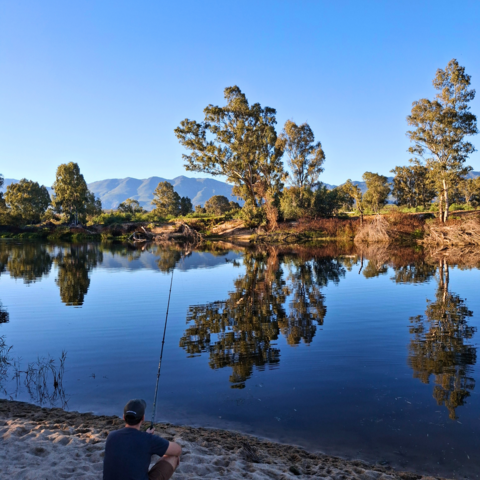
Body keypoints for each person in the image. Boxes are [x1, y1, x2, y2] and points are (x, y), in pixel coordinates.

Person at [103, 399, 182, 480]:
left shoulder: (111, 436)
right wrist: (150, 439)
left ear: (123, 417)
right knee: (173, 457)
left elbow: (130, 442)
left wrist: (147, 437)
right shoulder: (148, 440)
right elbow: (178, 450)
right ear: (143, 418)